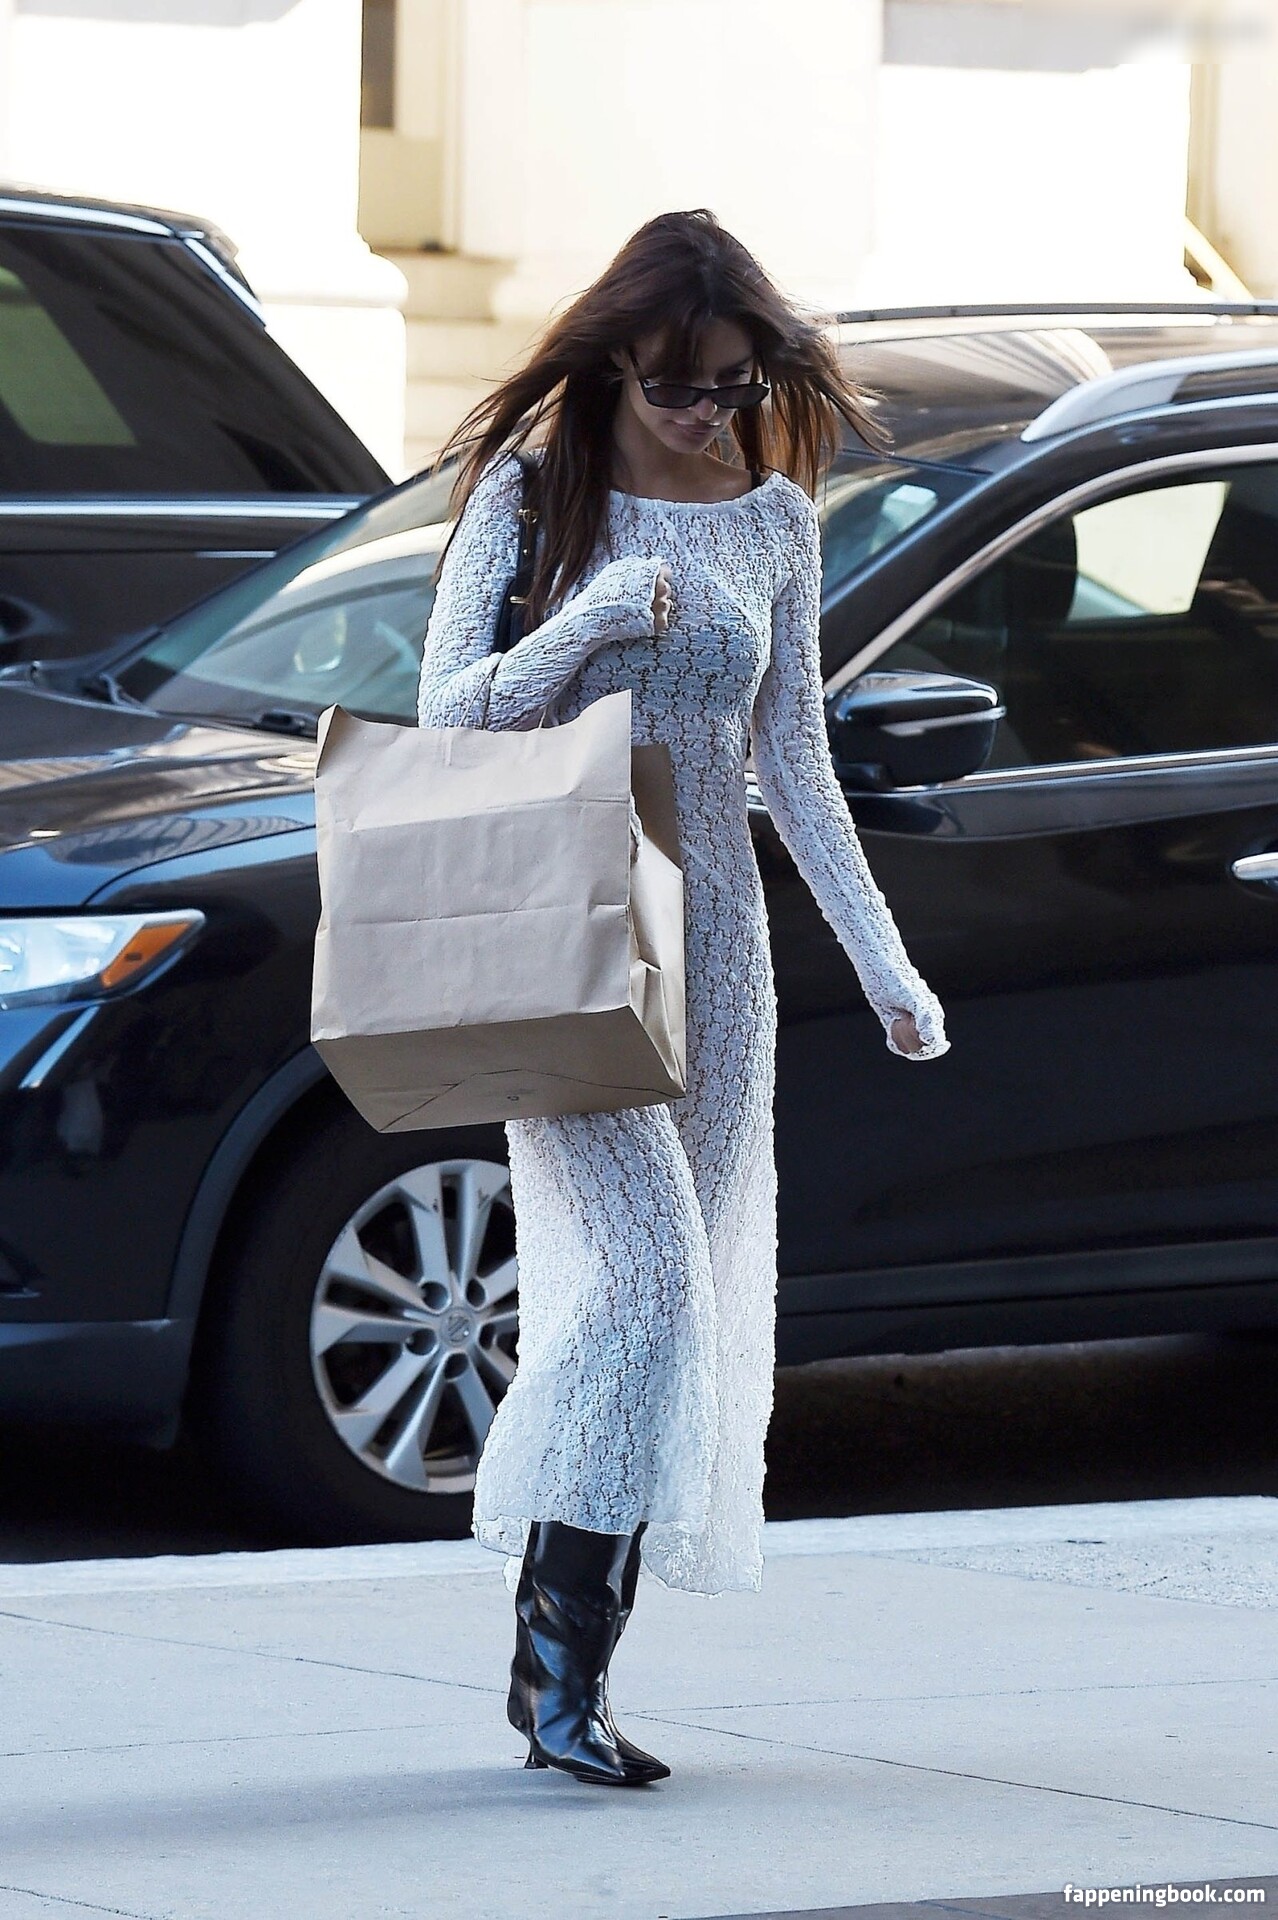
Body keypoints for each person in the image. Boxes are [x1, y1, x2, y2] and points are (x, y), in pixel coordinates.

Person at [415, 208, 949, 1789]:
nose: (705, 412)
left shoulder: (775, 520)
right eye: (674, 383)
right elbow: (444, 711)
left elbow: (797, 761)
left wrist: (885, 964)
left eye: (731, 385)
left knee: (675, 1309)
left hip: (719, 948)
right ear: (614, 360)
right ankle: (553, 1677)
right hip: (563, 931)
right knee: (644, 1291)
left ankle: (568, 1676)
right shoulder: (532, 492)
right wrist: (585, 623)